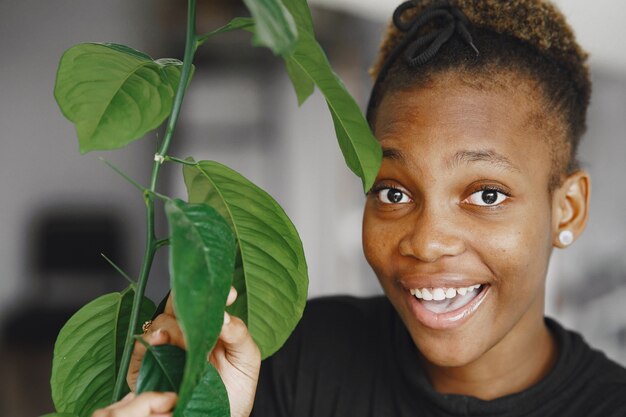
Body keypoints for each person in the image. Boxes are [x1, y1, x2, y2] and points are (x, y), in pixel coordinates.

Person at [94, 0, 626, 416]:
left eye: (487, 195)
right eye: (394, 192)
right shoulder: (287, 366)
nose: (426, 241)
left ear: (568, 209)